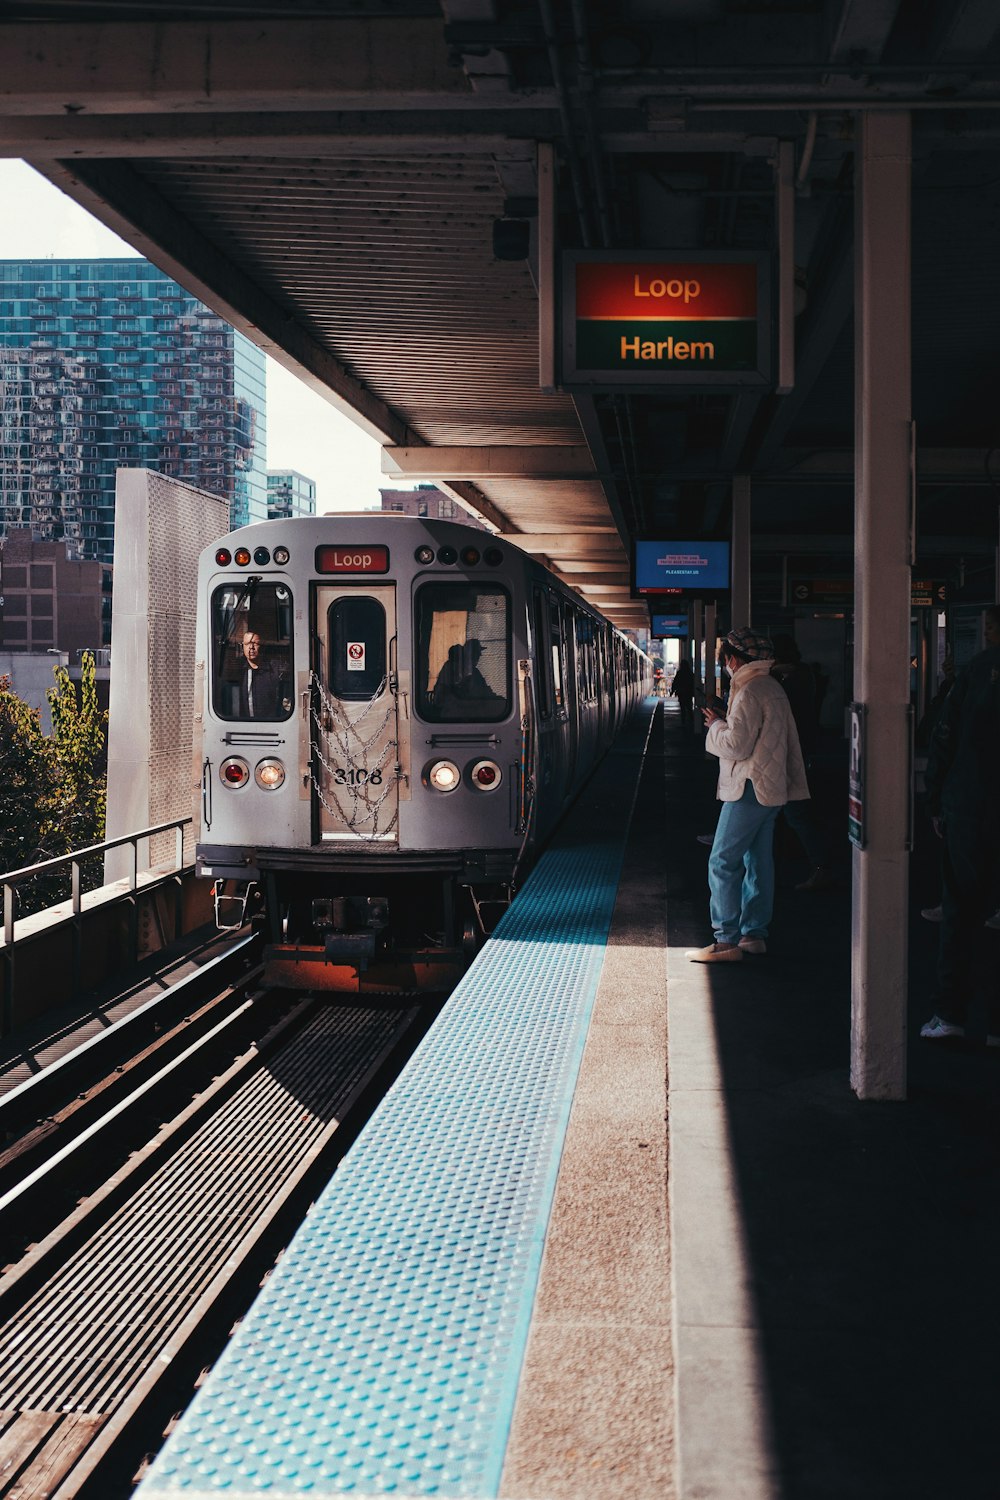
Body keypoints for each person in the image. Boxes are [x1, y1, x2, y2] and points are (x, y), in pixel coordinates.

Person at [685, 626, 809, 963]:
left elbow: (736, 745)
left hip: (749, 786)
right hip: (770, 786)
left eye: (725, 658)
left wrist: (715, 725)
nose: (725, 664)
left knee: (722, 860)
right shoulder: (771, 686)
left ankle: (724, 941)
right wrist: (726, 722)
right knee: (758, 861)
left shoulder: (750, 689)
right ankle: (753, 934)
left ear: (734, 658)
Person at [919, 605, 1000, 1043]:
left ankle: (950, 1014)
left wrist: (935, 800)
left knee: (962, 911)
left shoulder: (977, 671)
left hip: (972, 807)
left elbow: (943, 735)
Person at [770, 633, 835, 892]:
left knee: (796, 812)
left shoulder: (792, 680)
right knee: (790, 811)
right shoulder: (804, 675)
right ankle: (815, 863)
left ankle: (822, 866)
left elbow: (784, 712)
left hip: (794, 751)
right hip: (802, 748)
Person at [237, 629, 290, 720]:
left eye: (255, 643)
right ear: (242, 647)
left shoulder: (276, 670)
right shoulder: (240, 671)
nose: (251, 647)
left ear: (262, 646)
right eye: (247, 644)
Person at [670, 656, 695, 728]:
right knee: (689, 708)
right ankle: (692, 722)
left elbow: (675, 683)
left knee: (683, 709)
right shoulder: (690, 673)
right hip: (688, 694)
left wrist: (672, 691)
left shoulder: (679, 673)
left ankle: (683, 722)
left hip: (681, 693)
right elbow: (693, 682)